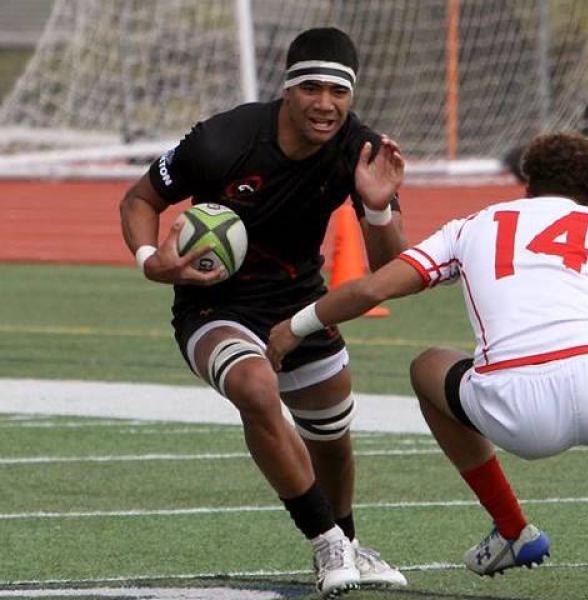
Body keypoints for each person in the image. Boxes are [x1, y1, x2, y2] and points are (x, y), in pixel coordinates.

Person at [267, 132, 588, 576]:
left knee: (427, 365)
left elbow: (372, 288)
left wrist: (295, 325)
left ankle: (512, 527)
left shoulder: (472, 226)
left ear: (528, 184)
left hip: (510, 406)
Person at [119, 27, 408, 598]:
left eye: (338, 92)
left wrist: (376, 210)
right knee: (255, 389)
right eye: (312, 89)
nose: (325, 104)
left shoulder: (362, 149)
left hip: (300, 301)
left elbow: (390, 270)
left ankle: (348, 541)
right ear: (288, 89)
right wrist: (153, 261)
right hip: (213, 304)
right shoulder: (223, 141)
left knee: (332, 437)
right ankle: (324, 540)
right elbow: (139, 199)